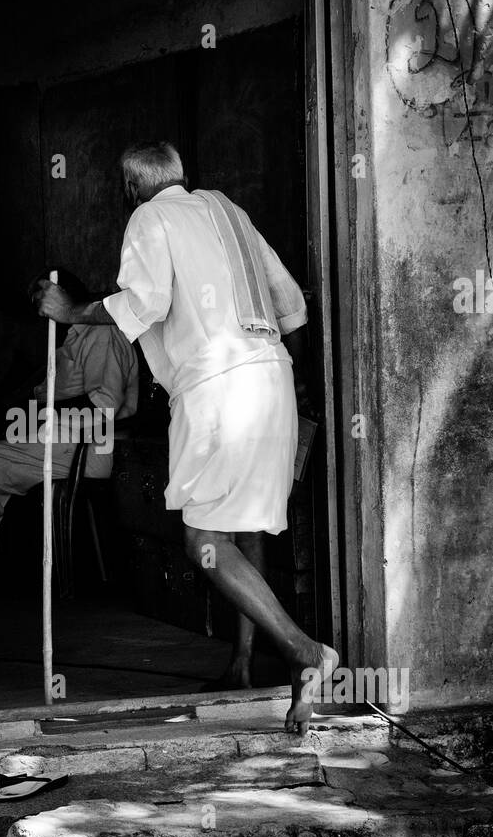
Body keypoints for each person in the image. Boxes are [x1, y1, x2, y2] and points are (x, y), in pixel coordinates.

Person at [35, 142, 337, 735]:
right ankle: (244, 664)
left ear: (130, 188)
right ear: (181, 175)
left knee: (203, 535)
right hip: (270, 375)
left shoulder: (149, 217)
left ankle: (306, 652)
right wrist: (299, 386)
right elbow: (292, 304)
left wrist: (71, 312)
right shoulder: (228, 209)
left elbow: (146, 302)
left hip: (215, 386)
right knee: (244, 523)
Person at [0, 268, 138, 575]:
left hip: (92, 447)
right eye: (35, 302)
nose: (39, 309)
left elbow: (105, 406)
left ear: (66, 296)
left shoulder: (100, 334)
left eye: (43, 299)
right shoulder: (66, 339)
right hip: (60, 438)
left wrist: (37, 416)